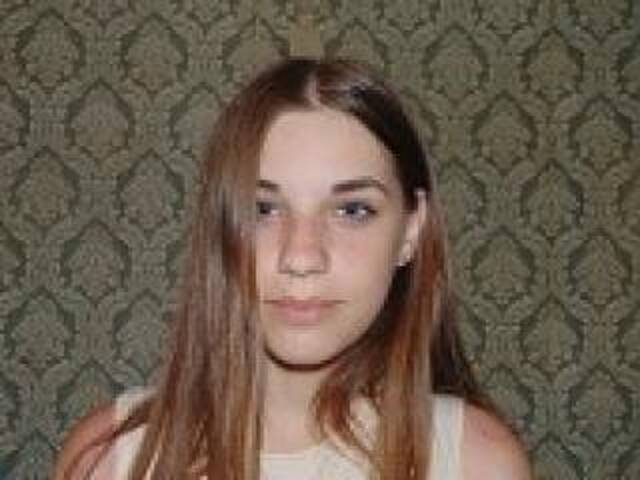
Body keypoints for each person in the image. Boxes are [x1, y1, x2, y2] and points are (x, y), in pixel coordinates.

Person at [52, 57, 531, 480]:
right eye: (263, 209)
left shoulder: (478, 462)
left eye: (353, 210)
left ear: (411, 230)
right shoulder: (108, 459)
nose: (301, 257)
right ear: (220, 228)